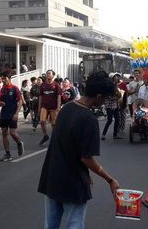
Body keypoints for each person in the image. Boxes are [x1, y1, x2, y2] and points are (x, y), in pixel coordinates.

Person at [38, 71, 120, 229]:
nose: (103, 102)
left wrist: (86, 174)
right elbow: (86, 158)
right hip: (72, 184)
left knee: (50, 225)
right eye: (104, 98)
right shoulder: (88, 119)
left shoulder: (66, 108)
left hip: (51, 177)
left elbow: (68, 146)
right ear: (98, 96)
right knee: (74, 225)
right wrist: (110, 179)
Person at [0, 73, 24, 162]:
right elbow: (0, 101)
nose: (3, 80)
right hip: (4, 114)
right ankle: (8, 154)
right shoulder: (2, 89)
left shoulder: (15, 88)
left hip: (12, 114)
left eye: (5, 78)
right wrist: (0, 103)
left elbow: (20, 101)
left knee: (12, 133)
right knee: (4, 132)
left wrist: (17, 113)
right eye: (2, 78)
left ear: (9, 78)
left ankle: (19, 143)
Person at [38, 69, 61, 146]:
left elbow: (59, 97)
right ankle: (45, 135)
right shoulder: (43, 85)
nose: (48, 75)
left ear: (53, 75)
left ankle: (55, 138)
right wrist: (39, 107)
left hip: (53, 107)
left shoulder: (56, 85)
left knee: (54, 124)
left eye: (49, 73)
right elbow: (40, 97)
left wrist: (58, 107)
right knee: (42, 121)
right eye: (47, 73)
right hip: (44, 106)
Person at [101, 74, 122, 140]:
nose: (117, 77)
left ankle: (115, 135)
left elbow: (118, 94)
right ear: (112, 78)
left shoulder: (116, 85)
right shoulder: (108, 86)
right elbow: (106, 96)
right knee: (109, 120)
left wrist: (118, 96)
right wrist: (114, 97)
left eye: (117, 76)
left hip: (115, 105)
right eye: (115, 76)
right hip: (109, 105)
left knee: (117, 120)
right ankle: (103, 134)